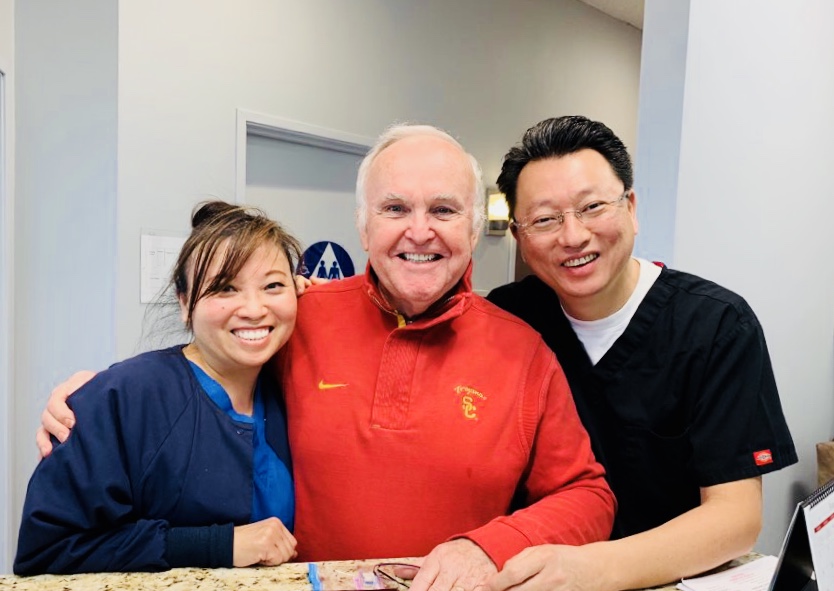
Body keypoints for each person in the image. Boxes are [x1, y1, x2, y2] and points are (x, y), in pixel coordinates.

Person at [36, 124, 617, 591]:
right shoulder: (300, 315)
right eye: (395, 209)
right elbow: (209, 358)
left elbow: (588, 496)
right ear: (362, 226)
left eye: (443, 210)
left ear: (472, 229)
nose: (419, 232)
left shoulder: (523, 351)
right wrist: (96, 393)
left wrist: (488, 547)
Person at [485, 116, 798, 591]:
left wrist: (592, 569)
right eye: (545, 219)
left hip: (668, 581)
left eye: (592, 207)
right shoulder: (509, 318)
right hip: (528, 577)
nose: (573, 236)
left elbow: (736, 517)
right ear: (519, 237)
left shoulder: (716, 325)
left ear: (630, 208)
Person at [16, 201, 302, 574]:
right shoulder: (125, 397)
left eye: (273, 285)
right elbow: (46, 550)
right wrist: (218, 545)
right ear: (185, 303)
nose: (254, 308)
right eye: (225, 288)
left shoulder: (294, 387)